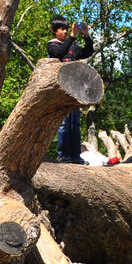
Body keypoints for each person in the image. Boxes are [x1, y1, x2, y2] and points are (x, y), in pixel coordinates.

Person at [47, 16, 93, 162]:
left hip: (74, 89)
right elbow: (59, 52)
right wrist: (73, 36)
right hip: (61, 90)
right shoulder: (52, 45)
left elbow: (87, 52)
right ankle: (64, 155)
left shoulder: (72, 46)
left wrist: (86, 36)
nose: (65, 31)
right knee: (64, 123)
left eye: (67, 29)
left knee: (75, 123)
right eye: (61, 29)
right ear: (53, 31)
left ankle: (75, 155)